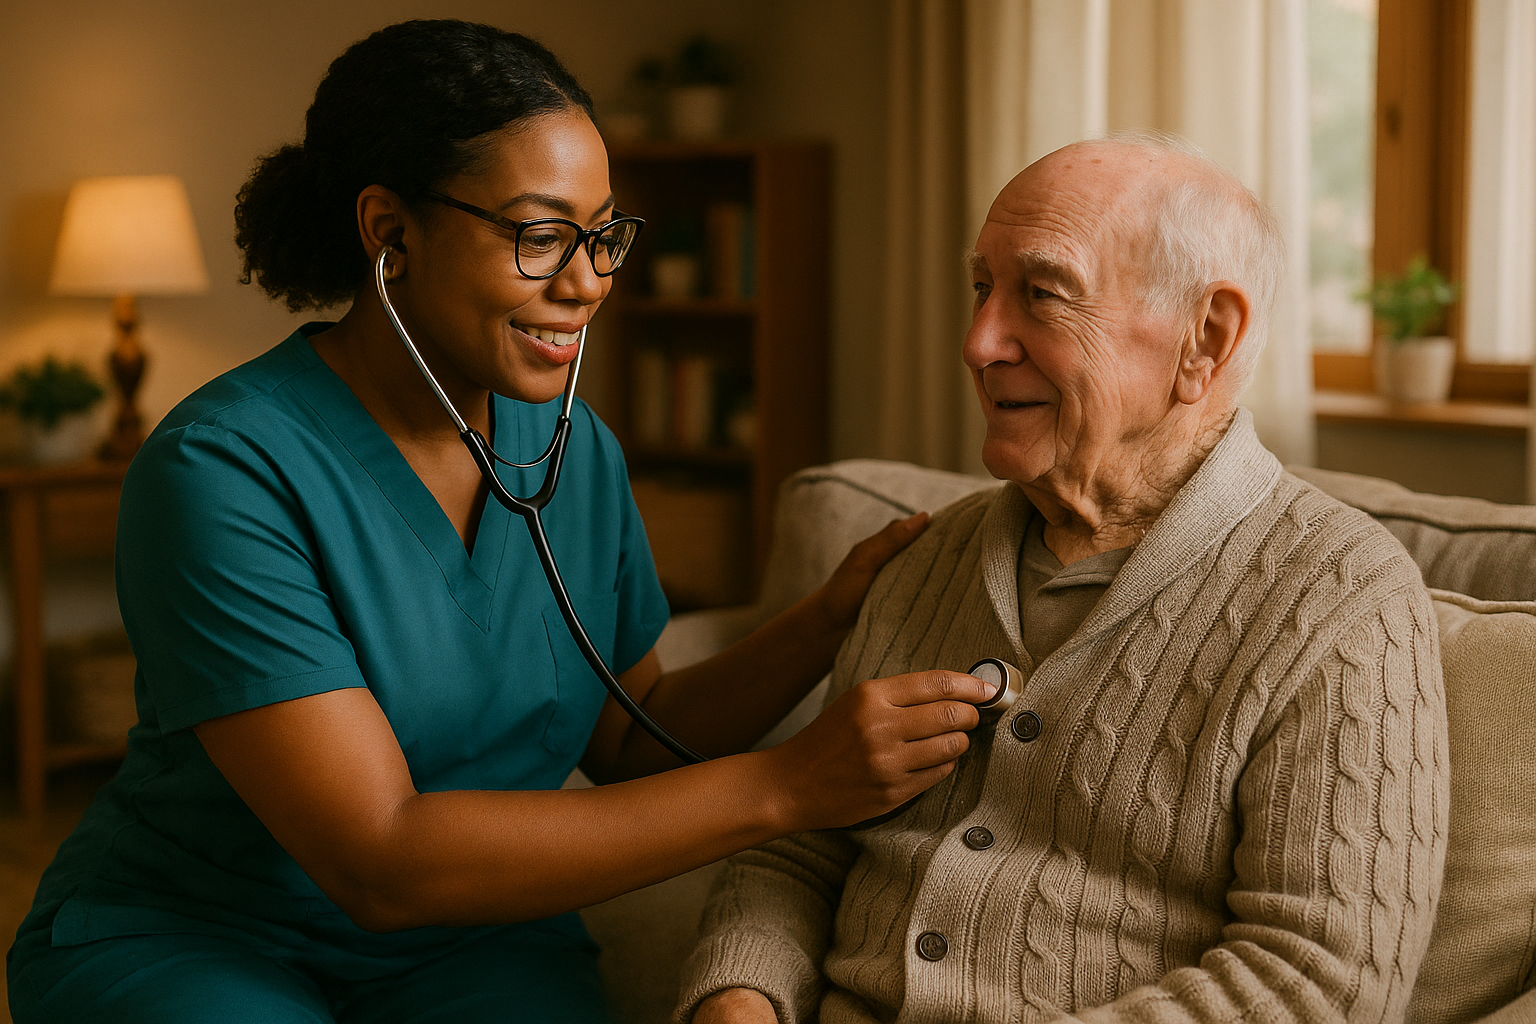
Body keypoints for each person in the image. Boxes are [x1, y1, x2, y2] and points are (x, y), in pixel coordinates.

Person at [5, 20, 995, 1024]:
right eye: (538, 234)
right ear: (391, 232)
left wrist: (825, 618)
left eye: (603, 233)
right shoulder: (220, 470)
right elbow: (379, 858)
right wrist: (787, 786)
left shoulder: (578, 452)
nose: (587, 282)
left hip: (474, 945)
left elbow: (633, 733)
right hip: (204, 935)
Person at [679, 133, 1449, 1024]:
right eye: (980, 288)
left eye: (1042, 295)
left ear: (1207, 337)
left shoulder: (1342, 600)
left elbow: (1319, 985)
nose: (977, 342)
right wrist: (738, 1001)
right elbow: (798, 850)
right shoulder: (925, 562)